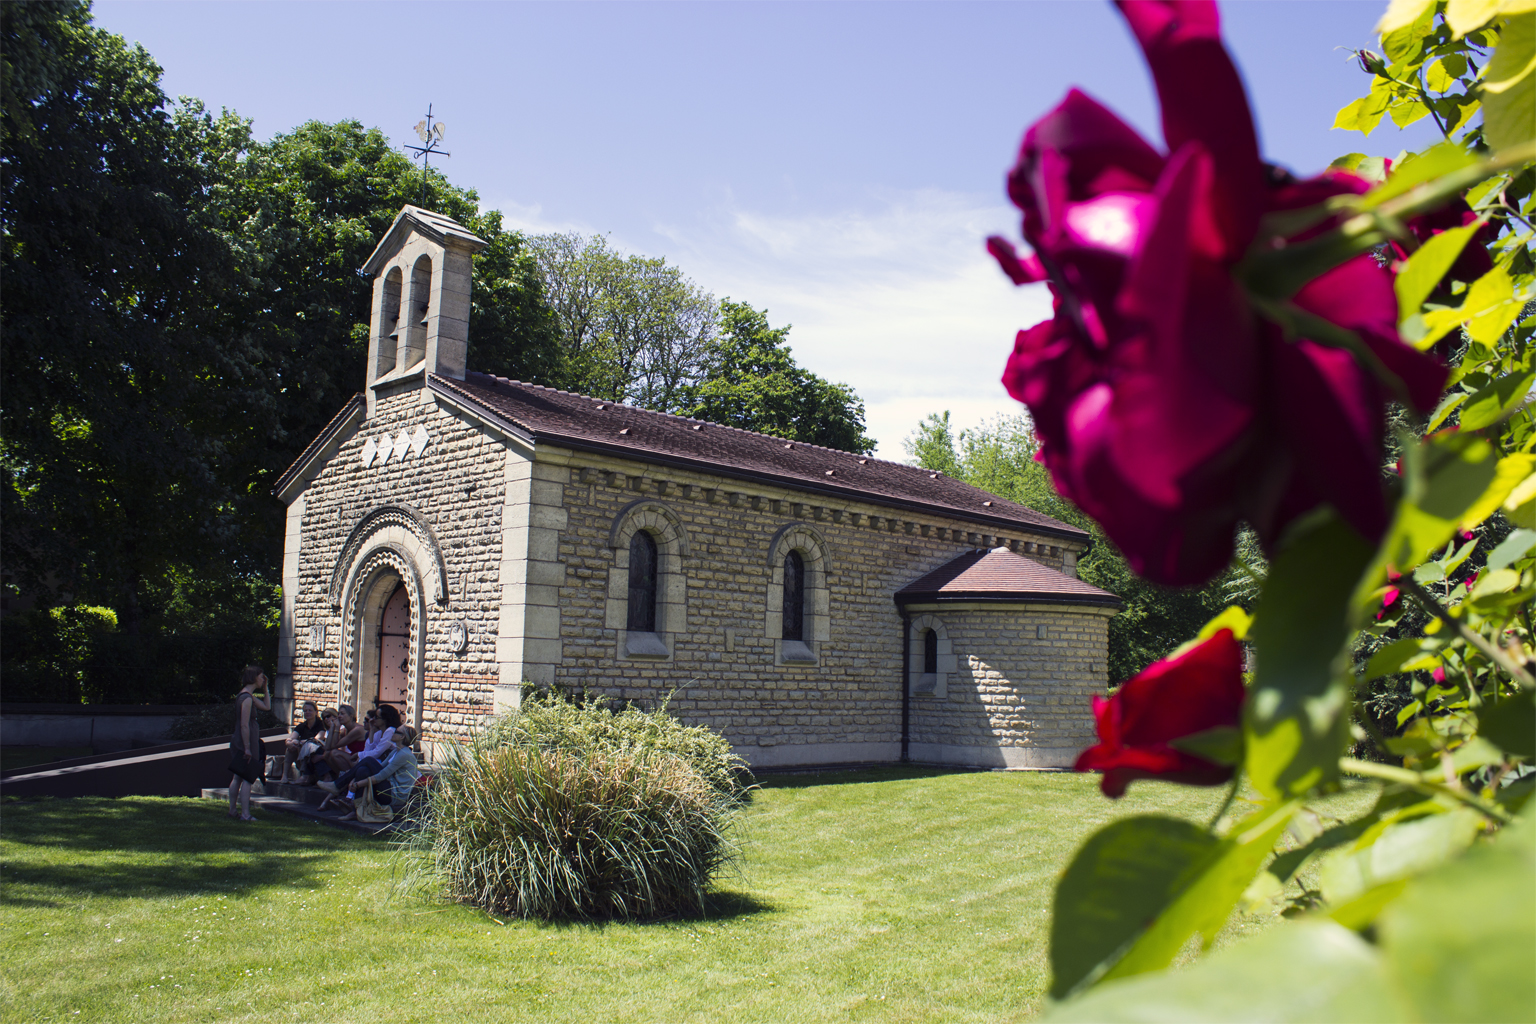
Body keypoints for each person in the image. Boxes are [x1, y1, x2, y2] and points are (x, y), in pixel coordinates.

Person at [322, 725, 421, 819]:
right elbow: (380, 768)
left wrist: (358, 784)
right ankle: (356, 810)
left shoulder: (404, 754)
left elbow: (381, 775)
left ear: (402, 737)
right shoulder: (396, 751)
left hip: (394, 796)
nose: (392, 733)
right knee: (363, 770)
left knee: (369, 760)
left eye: (396, 732)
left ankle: (337, 786)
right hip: (388, 788)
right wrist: (356, 779)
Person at [226, 666, 272, 822]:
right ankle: (245, 814)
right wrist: (247, 748)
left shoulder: (247, 696)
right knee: (246, 778)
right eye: (261, 677)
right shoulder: (246, 698)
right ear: (253, 678)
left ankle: (233, 811)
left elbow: (267, 707)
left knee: (238, 776)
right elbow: (244, 725)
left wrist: (266, 689)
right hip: (245, 741)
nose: (262, 679)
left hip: (243, 740)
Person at [281, 700, 324, 784]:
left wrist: (299, 742)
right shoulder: (302, 726)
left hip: (315, 757)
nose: (307, 712)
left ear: (316, 712)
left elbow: (316, 740)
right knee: (291, 748)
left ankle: (306, 776)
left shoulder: (321, 725)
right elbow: (290, 738)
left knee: (306, 746)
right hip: (302, 758)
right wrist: (289, 743)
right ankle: (284, 776)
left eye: (310, 710)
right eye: (305, 711)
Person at [321, 704, 365, 778]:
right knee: (327, 754)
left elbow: (334, 745)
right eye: (338, 714)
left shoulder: (357, 730)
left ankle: (346, 778)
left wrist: (337, 727)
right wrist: (332, 727)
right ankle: (342, 777)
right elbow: (327, 748)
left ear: (351, 716)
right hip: (353, 758)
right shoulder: (345, 730)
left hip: (361, 759)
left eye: (342, 714)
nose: (339, 716)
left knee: (334, 753)